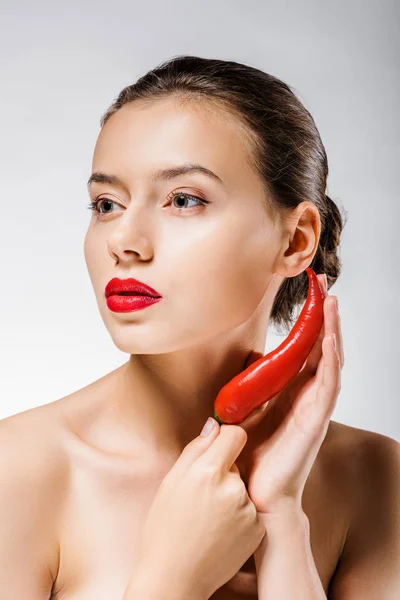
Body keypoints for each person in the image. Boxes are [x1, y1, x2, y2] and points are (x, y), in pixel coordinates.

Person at [1, 55, 399, 600]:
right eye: (106, 204)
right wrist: (172, 579)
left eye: (183, 200)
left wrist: (282, 519)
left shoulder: (378, 478)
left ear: (296, 241)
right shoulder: (18, 470)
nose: (125, 240)